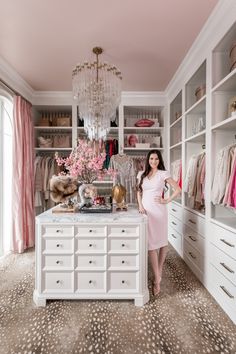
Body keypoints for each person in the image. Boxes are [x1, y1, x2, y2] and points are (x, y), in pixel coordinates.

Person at [137, 149, 181, 296]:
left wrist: (166, 200)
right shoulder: (142, 175)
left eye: (156, 159)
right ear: (148, 160)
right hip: (147, 213)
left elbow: (178, 189)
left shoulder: (164, 174)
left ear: (159, 160)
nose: (153, 161)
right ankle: (157, 275)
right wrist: (140, 206)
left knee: (162, 243)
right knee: (151, 245)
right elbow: (138, 192)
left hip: (159, 212)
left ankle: (158, 275)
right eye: (151, 159)